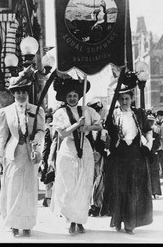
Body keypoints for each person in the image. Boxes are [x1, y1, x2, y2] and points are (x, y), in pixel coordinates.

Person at [50, 76, 103, 235]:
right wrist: (76, 125)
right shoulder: (60, 113)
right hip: (68, 150)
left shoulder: (87, 110)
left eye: (75, 95)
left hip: (84, 149)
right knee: (69, 187)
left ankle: (79, 221)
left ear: (79, 97)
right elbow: (63, 133)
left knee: (83, 185)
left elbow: (99, 125)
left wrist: (87, 126)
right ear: (65, 98)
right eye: (69, 96)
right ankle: (70, 221)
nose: (72, 98)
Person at [0, 70, 45, 237]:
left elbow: (40, 131)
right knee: (13, 188)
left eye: (24, 92)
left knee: (29, 189)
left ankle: (27, 223)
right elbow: (1, 136)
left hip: (30, 153)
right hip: (13, 154)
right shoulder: (5, 112)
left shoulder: (37, 110)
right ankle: (14, 223)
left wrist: (36, 143)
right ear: (13, 93)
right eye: (18, 92)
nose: (21, 95)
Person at [104, 85, 153, 235]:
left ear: (131, 99)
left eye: (127, 98)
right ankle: (118, 220)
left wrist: (149, 145)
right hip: (119, 156)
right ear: (117, 100)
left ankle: (130, 223)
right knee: (119, 189)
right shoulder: (113, 114)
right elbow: (108, 134)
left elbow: (148, 130)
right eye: (121, 99)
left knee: (133, 189)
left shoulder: (138, 114)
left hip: (135, 155)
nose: (124, 101)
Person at [86, 98, 108, 217]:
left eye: (98, 111)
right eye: (94, 110)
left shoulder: (104, 126)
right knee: (89, 180)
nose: (96, 113)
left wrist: (100, 152)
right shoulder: (86, 126)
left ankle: (98, 205)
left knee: (99, 181)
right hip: (88, 157)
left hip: (100, 158)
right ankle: (90, 205)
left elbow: (106, 142)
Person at [39, 113, 54, 207]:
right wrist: (44, 159)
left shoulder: (50, 129)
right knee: (49, 178)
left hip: (53, 156)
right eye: (48, 119)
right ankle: (48, 198)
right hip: (48, 157)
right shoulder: (47, 129)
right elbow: (45, 146)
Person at [147, 114, 163, 199]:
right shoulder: (152, 134)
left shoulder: (154, 134)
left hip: (151, 156)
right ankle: (153, 192)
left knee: (153, 174)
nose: (150, 123)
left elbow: (157, 145)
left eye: (151, 122)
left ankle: (154, 192)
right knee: (152, 174)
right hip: (151, 156)